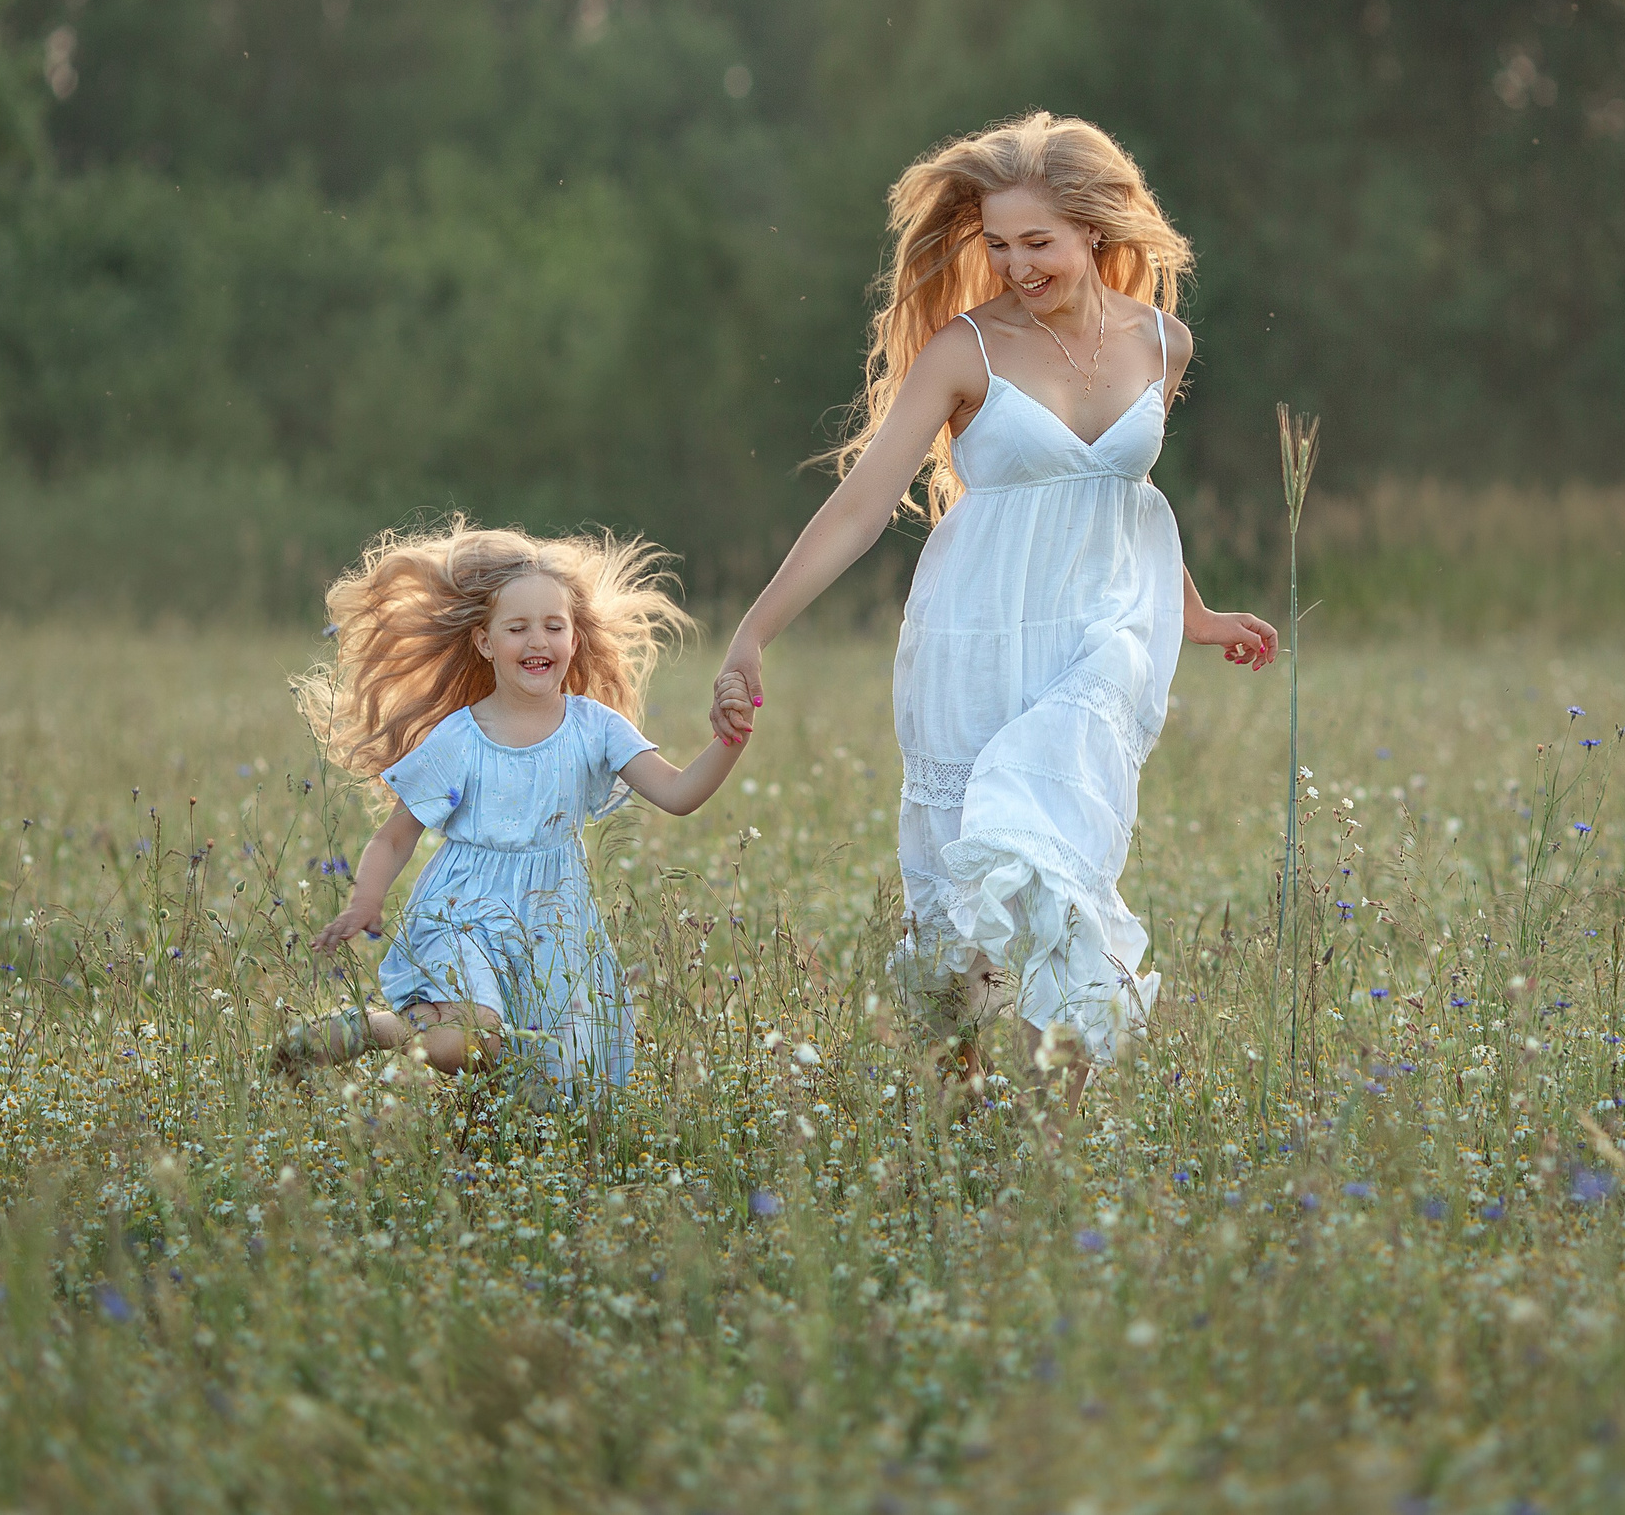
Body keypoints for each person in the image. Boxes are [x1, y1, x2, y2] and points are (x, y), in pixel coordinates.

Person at [709, 112, 1276, 1105]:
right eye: (999, 245)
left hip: (1099, 640)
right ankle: (959, 1106)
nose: (1017, 265)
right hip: (974, 638)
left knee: (1053, 860)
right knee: (964, 909)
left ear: (1096, 231)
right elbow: (859, 505)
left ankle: (1059, 1124)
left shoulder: (1162, 343)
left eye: (1039, 243)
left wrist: (1194, 613)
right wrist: (753, 629)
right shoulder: (963, 350)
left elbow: (1124, 507)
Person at [277, 520, 747, 1097]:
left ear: (575, 638)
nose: (537, 642)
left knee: (559, 1085)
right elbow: (395, 836)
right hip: (463, 912)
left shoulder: (595, 728)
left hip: (554, 919)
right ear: (484, 641)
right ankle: (375, 1031)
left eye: (554, 627)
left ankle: (476, 1133)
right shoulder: (461, 738)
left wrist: (731, 740)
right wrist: (366, 900)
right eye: (517, 628)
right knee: (475, 1040)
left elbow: (678, 794)